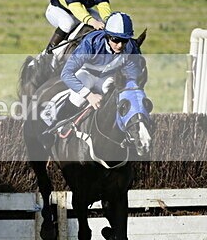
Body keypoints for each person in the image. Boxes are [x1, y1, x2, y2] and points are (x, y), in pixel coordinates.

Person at [40, 11, 142, 149]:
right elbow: (66, 73)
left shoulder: (131, 47)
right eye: (115, 40)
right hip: (87, 73)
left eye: (124, 40)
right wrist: (89, 95)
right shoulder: (91, 43)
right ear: (107, 36)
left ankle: (129, 135)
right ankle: (53, 127)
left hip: (108, 77)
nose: (120, 45)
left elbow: (133, 77)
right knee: (77, 98)